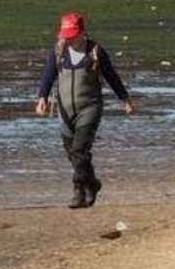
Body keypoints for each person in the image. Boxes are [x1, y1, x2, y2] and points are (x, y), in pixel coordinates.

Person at [34, 13, 135, 209]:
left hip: (90, 107)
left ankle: (78, 190)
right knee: (73, 154)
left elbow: (111, 76)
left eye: (72, 35)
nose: (68, 39)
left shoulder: (95, 51)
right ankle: (93, 183)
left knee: (79, 150)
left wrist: (125, 100)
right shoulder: (58, 52)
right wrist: (42, 98)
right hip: (64, 110)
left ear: (82, 32)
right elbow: (47, 75)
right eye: (65, 35)